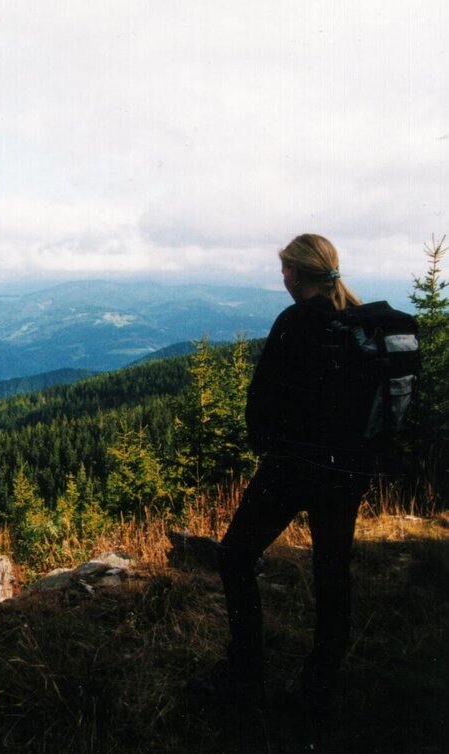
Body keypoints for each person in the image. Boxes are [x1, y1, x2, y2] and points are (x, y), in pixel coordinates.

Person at [189, 233, 372, 712]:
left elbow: (263, 398)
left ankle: (244, 672)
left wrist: (267, 445)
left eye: (285, 270)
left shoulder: (295, 321)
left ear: (297, 272)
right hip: (346, 473)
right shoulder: (358, 323)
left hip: (293, 467)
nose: (282, 278)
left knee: (234, 558)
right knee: (333, 572)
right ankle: (319, 683)